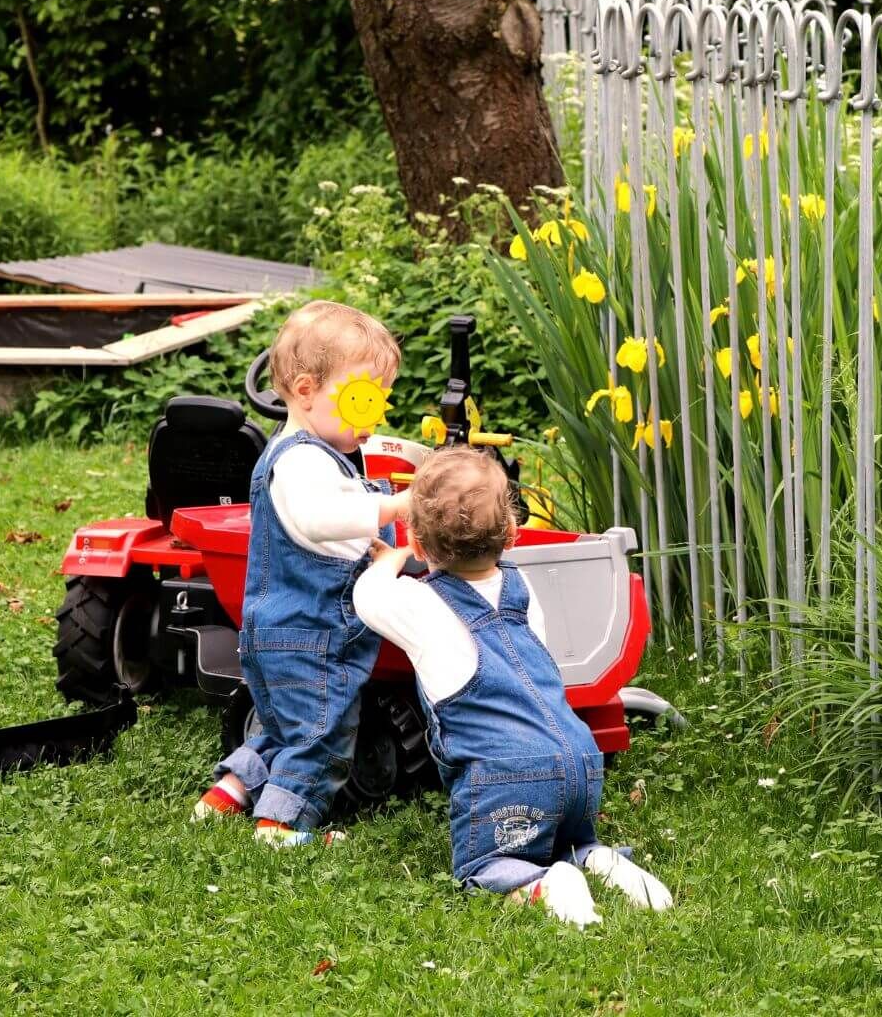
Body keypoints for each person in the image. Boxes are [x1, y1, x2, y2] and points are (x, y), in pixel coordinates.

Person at [353, 446, 672, 925]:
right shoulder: (524, 592)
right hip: (578, 760)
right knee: (570, 841)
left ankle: (543, 884)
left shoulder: (422, 607)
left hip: (506, 774)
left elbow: (368, 598)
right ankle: (597, 859)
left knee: (487, 866)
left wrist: (387, 561)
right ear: (511, 533)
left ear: (419, 545)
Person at [192, 301, 410, 848]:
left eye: (379, 400)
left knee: (281, 727)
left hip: (276, 632)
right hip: (311, 637)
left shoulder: (302, 453)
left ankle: (230, 793)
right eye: (362, 399)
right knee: (320, 734)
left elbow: (325, 531)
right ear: (308, 390)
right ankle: (282, 827)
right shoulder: (303, 461)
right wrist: (391, 509)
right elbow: (320, 518)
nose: (373, 416)